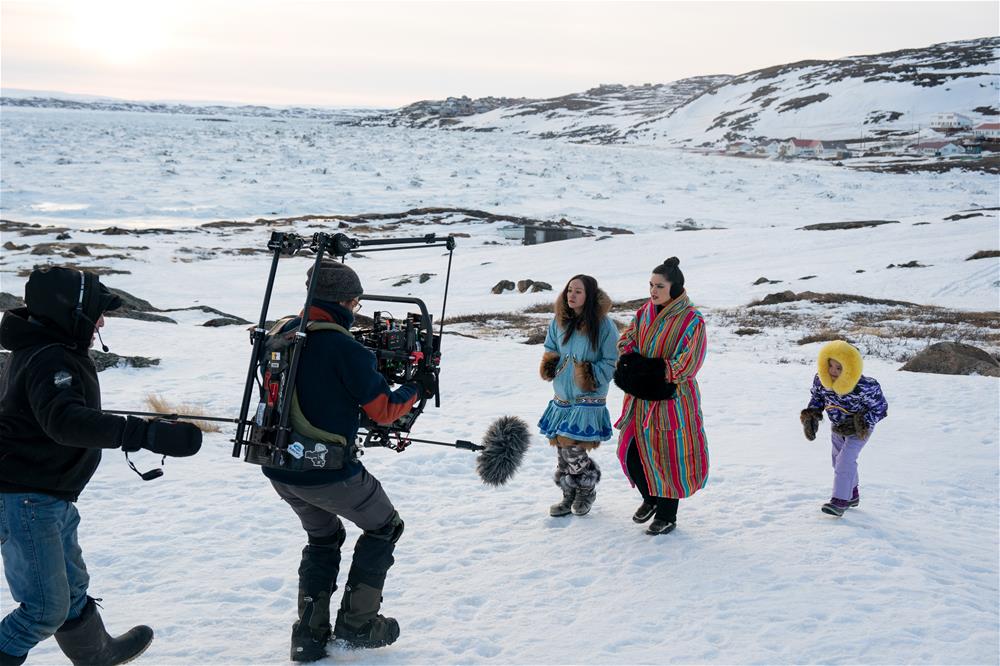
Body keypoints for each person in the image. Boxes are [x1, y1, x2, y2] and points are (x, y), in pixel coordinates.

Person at [0, 266, 203, 666]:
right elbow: (64, 421)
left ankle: (97, 654)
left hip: (48, 494)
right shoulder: (48, 358)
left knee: (72, 589)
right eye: (96, 313)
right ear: (69, 313)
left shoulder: (44, 349)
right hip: (24, 498)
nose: (101, 322)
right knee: (43, 610)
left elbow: (51, 414)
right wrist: (144, 434)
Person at [260, 259, 435, 663]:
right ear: (346, 300)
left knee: (323, 538)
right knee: (384, 527)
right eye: (355, 302)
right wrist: (416, 385)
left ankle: (308, 635)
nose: (356, 310)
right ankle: (358, 625)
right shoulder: (343, 347)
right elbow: (385, 410)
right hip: (328, 473)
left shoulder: (283, 333)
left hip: (279, 467)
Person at [613, 257, 709, 536]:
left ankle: (667, 514)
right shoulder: (645, 312)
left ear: (675, 287)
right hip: (640, 397)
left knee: (669, 456)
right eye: (651, 285)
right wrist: (632, 361)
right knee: (632, 452)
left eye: (660, 286)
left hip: (672, 398)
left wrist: (655, 371)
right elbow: (627, 338)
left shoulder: (692, 319)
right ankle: (650, 497)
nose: (653, 291)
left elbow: (688, 362)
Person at [537, 275, 619, 517]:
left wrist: (589, 376)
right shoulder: (559, 321)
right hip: (563, 394)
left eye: (578, 291)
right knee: (563, 450)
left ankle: (586, 488)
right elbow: (551, 347)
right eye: (569, 290)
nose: (571, 295)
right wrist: (552, 366)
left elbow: (611, 360)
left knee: (571, 446)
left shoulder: (604, 326)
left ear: (589, 295)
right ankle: (568, 494)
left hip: (588, 395)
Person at [800, 340, 888, 517]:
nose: (833, 371)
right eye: (830, 365)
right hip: (838, 426)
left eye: (839, 368)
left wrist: (862, 422)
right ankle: (852, 494)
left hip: (859, 428)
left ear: (850, 369)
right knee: (837, 460)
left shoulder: (866, 387)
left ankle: (840, 501)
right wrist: (812, 413)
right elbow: (818, 397)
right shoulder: (821, 380)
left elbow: (880, 408)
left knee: (845, 460)